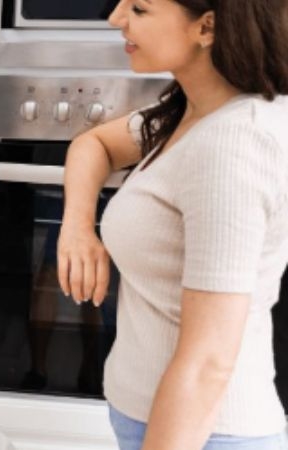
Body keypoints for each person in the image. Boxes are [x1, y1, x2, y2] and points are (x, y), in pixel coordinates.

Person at [58, 0, 288, 448]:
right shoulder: (192, 112)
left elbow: (208, 364)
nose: (115, 18)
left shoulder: (234, 143)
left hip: (203, 434)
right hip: (155, 420)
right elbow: (93, 143)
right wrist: (78, 227)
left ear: (206, 28)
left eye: (139, 8)